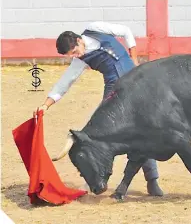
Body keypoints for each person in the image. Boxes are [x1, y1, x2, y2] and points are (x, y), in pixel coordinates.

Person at [33, 21, 164, 196]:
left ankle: (152, 180)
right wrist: (46, 105)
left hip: (137, 86)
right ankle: (95, 178)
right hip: (113, 93)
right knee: (102, 135)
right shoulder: (79, 60)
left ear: (79, 40)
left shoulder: (95, 28)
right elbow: (64, 83)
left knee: (143, 131)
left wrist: (134, 59)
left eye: (74, 52)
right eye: (70, 55)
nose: (74, 56)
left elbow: (125, 31)